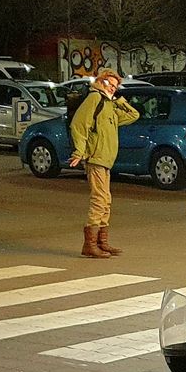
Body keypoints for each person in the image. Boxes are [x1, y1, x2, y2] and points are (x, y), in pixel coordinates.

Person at [68, 68, 139, 258]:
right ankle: (90, 245)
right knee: (99, 200)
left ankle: (101, 242)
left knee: (106, 201)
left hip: (106, 160)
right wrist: (79, 152)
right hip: (96, 158)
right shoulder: (94, 99)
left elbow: (134, 115)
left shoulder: (109, 105)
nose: (113, 88)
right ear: (102, 82)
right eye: (110, 84)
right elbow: (79, 125)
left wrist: (119, 101)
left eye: (116, 86)